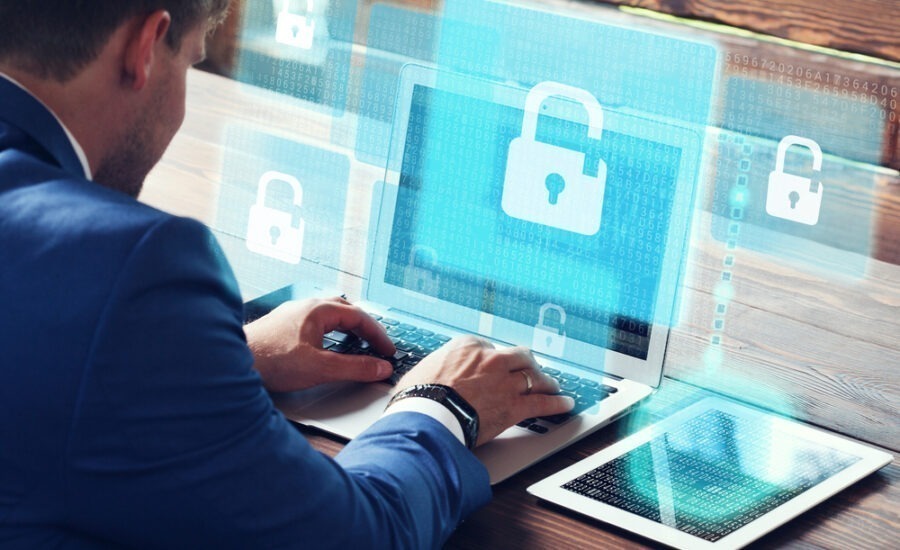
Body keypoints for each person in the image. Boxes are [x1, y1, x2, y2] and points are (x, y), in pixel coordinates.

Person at [0, 1, 573, 547]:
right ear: (145, 47)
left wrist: (223, 354)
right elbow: (350, 538)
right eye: (193, 62)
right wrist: (441, 405)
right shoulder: (132, 266)